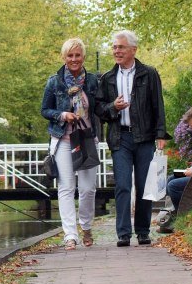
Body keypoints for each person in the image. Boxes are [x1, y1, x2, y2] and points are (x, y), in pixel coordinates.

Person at [95, 30, 170, 247]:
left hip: (145, 137)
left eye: (121, 47)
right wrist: (113, 107)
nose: (116, 51)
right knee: (123, 185)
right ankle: (123, 234)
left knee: (144, 186)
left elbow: (158, 104)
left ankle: (143, 231)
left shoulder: (149, 73)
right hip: (120, 138)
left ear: (133, 50)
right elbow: (99, 109)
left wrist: (160, 134)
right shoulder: (108, 78)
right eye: (114, 47)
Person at [41, 38, 99, 250]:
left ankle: (86, 226)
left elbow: (99, 108)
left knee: (87, 188)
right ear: (64, 58)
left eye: (77, 55)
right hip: (63, 139)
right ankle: (70, 235)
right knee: (66, 187)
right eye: (70, 55)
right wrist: (62, 114)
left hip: (86, 138)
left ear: (83, 57)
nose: (74, 59)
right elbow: (45, 110)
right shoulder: (54, 82)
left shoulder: (93, 81)